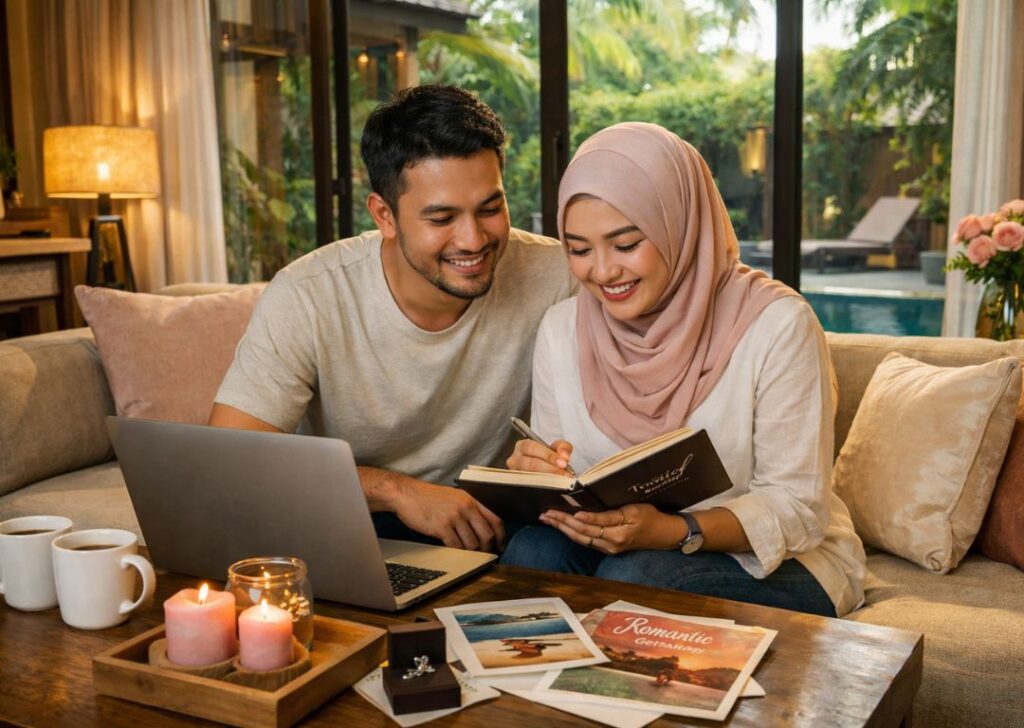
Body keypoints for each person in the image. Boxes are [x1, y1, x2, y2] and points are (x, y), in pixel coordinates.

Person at [499, 122, 866, 617]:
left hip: (782, 560)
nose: (602, 272)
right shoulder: (562, 328)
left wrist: (673, 530)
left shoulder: (778, 324)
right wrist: (539, 477)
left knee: (640, 578)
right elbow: (562, 482)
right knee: (532, 553)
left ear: (678, 225)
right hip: (625, 550)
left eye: (626, 244)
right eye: (580, 250)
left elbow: (797, 507)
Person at [209, 85, 576, 553]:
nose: (473, 239)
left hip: (494, 526)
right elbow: (232, 461)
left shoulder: (557, 274)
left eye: (490, 208)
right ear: (384, 215)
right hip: (355, 523)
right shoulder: (308, 295)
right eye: (441, 218)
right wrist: (398, 492)